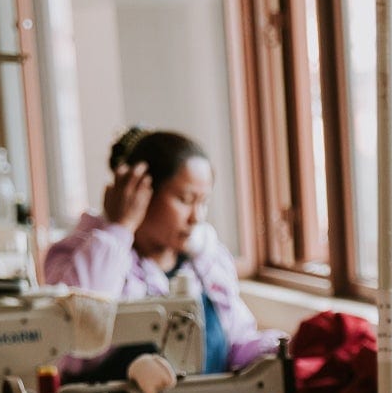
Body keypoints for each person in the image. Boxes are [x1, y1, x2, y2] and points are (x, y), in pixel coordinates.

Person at [43, 128, 281, 375]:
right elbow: (77, 332)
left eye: (203, 202)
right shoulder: (83, 255)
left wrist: (280, 349)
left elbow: (237, 345)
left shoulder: (207, 264)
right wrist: (120, 227)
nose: (196, 217)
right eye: (185, 200)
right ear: (141, 192)